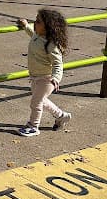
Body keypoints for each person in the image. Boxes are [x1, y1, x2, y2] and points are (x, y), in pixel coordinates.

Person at [15, 8, 71, 137]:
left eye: (38, 22)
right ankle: (61, 116)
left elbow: (58, 63)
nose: (35, 23)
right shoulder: (38, 35)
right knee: (41, 100)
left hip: (47, 79)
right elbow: (31, 33)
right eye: (35, 20)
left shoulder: (51, 45)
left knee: (36, 102)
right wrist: (25, 26)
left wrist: (56, 78)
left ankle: (33, 126)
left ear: (48, 27)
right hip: (35, 76)